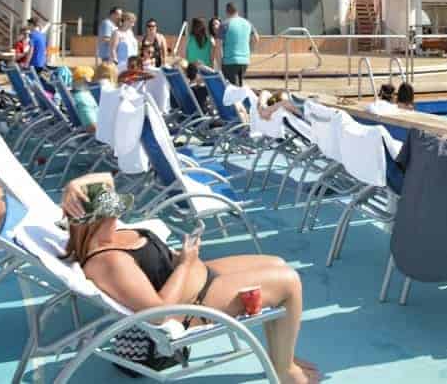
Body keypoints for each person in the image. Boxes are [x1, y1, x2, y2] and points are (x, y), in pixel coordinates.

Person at [61, 174, 320, 384]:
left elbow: (106, 178)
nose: (118, 215)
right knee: (289, 282)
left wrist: (73, 186)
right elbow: (159, 314)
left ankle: (281, 357)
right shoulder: (109, 261)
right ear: (93, 221)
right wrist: (185, 264)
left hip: (200, 276)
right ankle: (285, 372)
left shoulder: (107, 234)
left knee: (276, 263)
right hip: (192, 304)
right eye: (112, 211)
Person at [219, 3, 258, 88]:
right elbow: (256, 38)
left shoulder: (225, 24)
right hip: (244, 60)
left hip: (229, 61)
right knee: (239, 86)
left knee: (232, 88)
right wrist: (250, 51)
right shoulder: (247, 23)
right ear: (237, 11)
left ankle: (237, 101)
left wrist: (220, 61)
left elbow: (219, 45)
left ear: (227, 11)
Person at [71, 66, 98, 133]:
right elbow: (92, 127)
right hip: (101, 136)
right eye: (92, 78)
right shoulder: (83, 100)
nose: (94, 80)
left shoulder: (79, 95)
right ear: (86, 80)